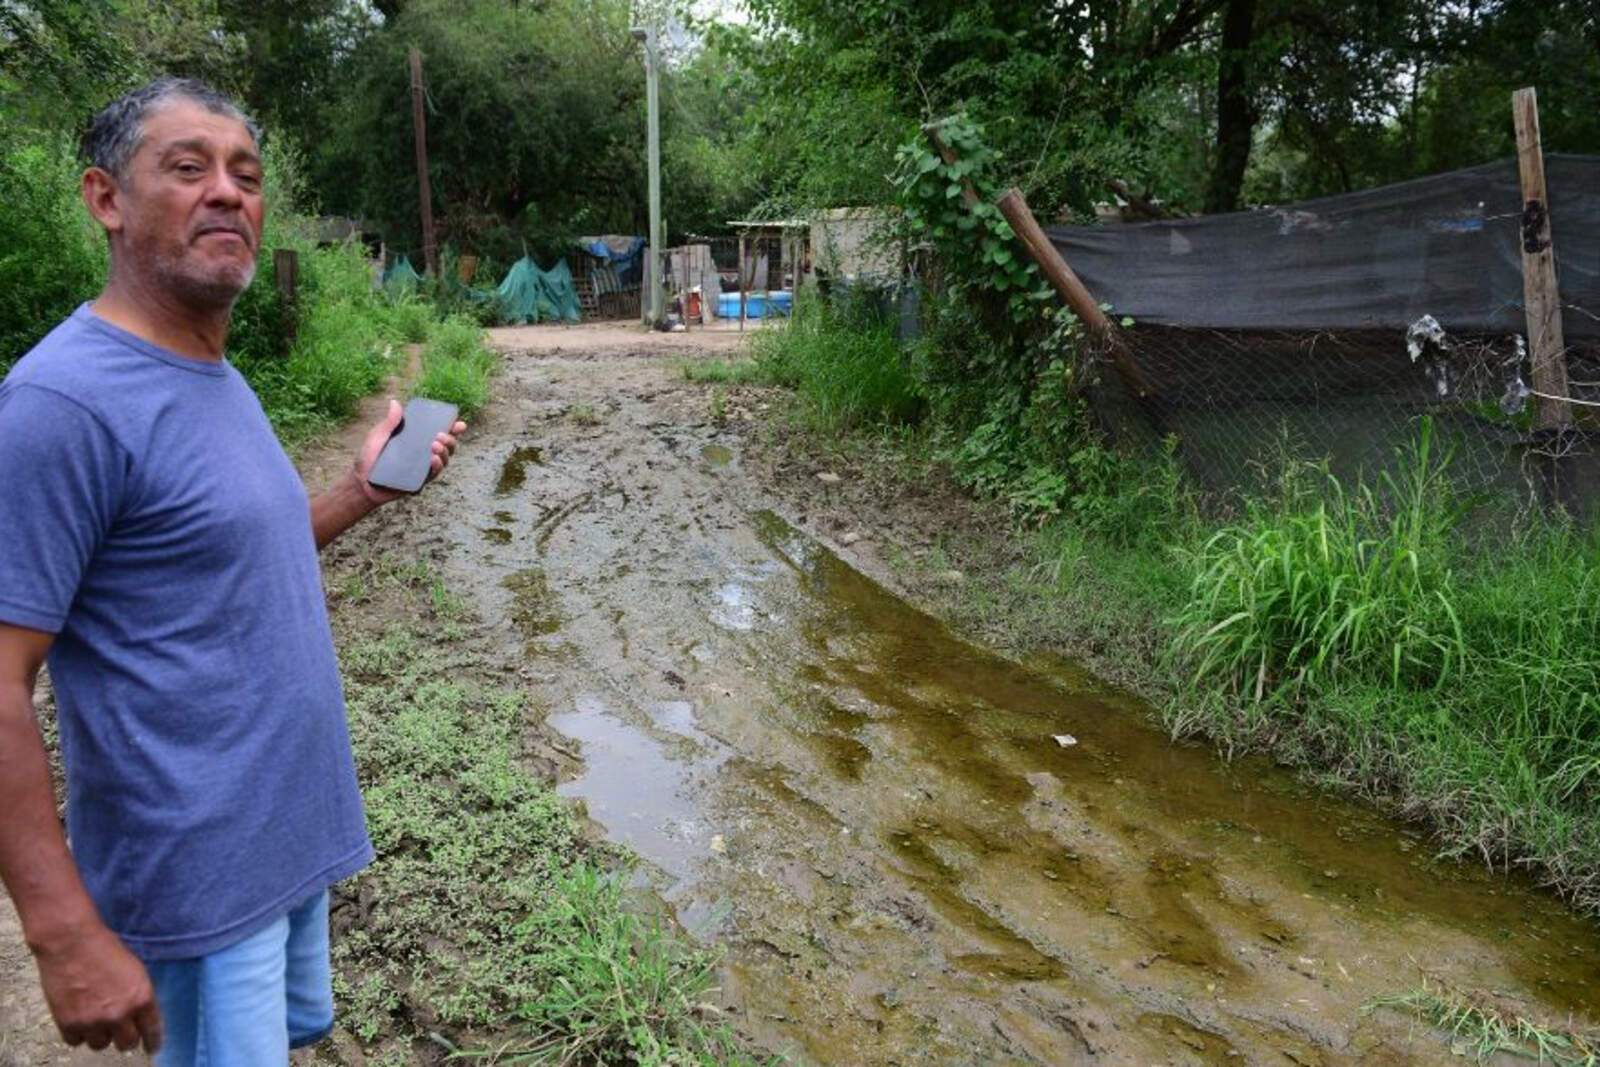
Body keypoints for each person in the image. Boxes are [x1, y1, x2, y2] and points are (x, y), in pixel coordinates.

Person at [0, 77, 465, 1063]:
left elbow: (232, 559)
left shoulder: (213, 371)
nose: (227, 192)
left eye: (246, 176)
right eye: (188, 167)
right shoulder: (62, 402)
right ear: (105, 197)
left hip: (282, 841)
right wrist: (62, 930)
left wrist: (362, 491)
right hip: (196, 879)